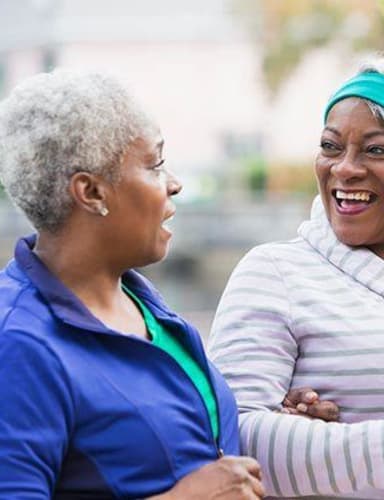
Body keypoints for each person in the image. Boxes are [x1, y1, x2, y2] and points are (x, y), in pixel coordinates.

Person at [208, 54, 384, 499]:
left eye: (377, 150)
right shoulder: (276, 272)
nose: (344, 168)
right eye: (330, 146)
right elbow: (227, 442)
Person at [0, 69, 269, 499]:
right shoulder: (18, 343)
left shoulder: (142, 302)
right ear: (91, 192)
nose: (175, 183)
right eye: (156, 165)